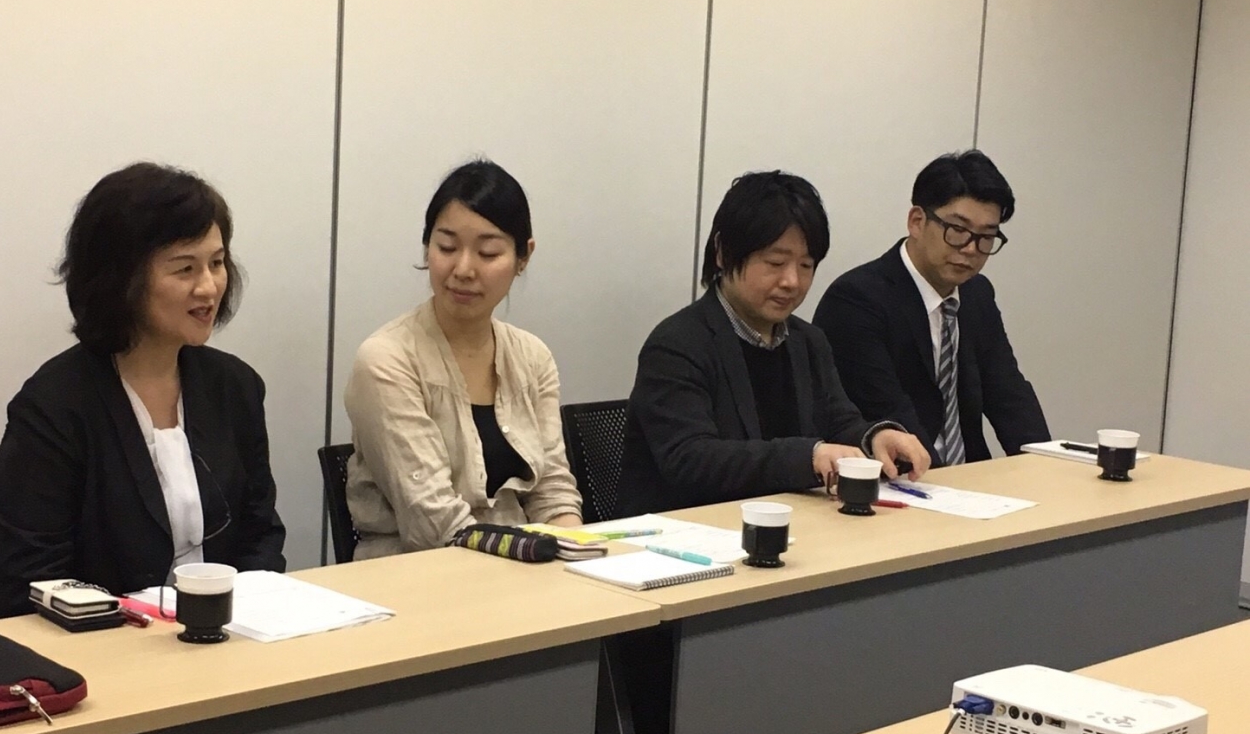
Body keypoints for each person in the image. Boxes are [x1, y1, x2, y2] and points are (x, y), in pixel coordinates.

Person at [0, 163, 286, 618]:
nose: (209, 287)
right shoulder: (53, 407)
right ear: (122, 278)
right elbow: (35, 582)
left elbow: (260, 536)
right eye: (184, 269)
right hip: (99, 643)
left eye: (217, 263)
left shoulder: (235, 386)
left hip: (225, 634)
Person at [617, 170, 930, 518]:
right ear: (723, 253)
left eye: (806, 265)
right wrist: (808, 456)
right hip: (690, 529)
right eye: (775, 263)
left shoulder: (808, 341)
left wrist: (875, 438)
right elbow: (690, 459)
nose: (792, 281)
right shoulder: (677, 345)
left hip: (793, 525)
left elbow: (840, 423)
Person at [344, 160, 581, 558]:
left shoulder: (532, 357)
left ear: (523, 257)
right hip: (417, 572)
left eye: (488, 252)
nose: (464, 269)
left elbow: (552, 492)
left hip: (521, 567)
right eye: (447, 248)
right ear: (427, 246)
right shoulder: (386, 360)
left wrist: (576, 556)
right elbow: (433, 522)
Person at [814, 150, 1049, 467]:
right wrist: (950, 486)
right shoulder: (857, 300)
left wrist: (1046, 466)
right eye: (958, 230)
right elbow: (888, 412)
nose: (970, 249)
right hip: (900, 476)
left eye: (986, 237)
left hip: (969, 474)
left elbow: (1009, 395)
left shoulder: (976, 293)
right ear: (917, 221)